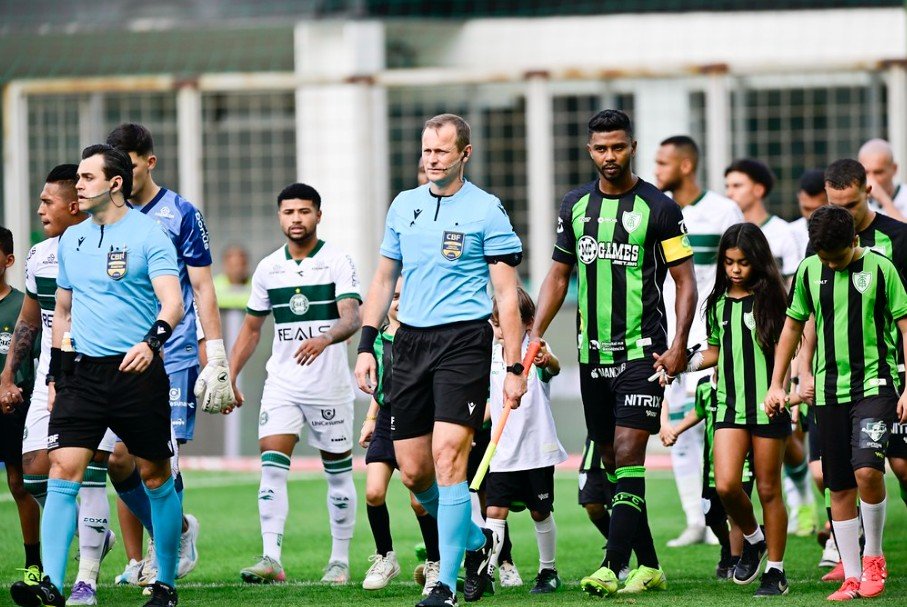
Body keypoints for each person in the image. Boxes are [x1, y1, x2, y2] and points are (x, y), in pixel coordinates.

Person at [354, 113, 527, 607]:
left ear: (464, 154)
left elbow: (506, 296)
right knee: (414, 473)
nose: (431, 159)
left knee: (449, 457)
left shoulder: (488, 210)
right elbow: (383, 280)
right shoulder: (403, 205)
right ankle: (475, 542)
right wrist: (366, 345)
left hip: (464, 342)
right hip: (408, 343)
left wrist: (514, 366)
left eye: (441, 151)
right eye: (427, 150)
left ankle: (443, 586)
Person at [9, 144, 184, 607]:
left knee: (155, 476)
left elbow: (173, 302)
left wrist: (151, 342)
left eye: (87, 178)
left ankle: (165, 583)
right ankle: (50, 583)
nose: (79, 185)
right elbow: (63, 312)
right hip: (82, 374)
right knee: (61, 469)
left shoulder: (149, 234)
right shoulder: (73, 241)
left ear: (115, 183)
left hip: (136, 372)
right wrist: (58, 373)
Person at [531, 109, 697, 596]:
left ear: (632, 147)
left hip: (643, 354)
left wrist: (678, 345)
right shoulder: (575, 205)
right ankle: (650, 566)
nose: (610, 156)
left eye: (618, 147)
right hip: (592, 355)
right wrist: (534, 333)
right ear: (590, 150)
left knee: (627, 452)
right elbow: (558, 275)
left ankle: (612, 565)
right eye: (601, 148)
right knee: (610, 458)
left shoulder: (660, 208)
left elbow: (685, 281)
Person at [105, 123, 234, 587]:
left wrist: (216, 356)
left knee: (157, 460)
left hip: (172, 355)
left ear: (150, 161)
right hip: (118, 357)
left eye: (130, 165)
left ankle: (163, 553)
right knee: (117, 461)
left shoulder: (180, 213)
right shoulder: (107, 216)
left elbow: (202, 286)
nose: (121, 177)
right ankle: (176, 532)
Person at [766, 201, 907, 601]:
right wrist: (777, 383)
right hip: (828, 393)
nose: (830, 265)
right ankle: (851, 574)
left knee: (867, 471)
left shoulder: (881, 269)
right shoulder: (810, 270)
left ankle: (873, 558)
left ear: (855, 240)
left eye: (838, 258)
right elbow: (792, 327)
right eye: (824, 258)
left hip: (875, 385)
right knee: (838, 482)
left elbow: (905, 325)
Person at [229, 182, 361, 585]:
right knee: (271, 468)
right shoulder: (269, 268)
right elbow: (251, 329)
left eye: (304, 211)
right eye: (289, 212)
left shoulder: (337, 261)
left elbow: (352, 317)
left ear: (318, 215)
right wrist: (228, 374)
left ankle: (339, 560)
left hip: (329, 386)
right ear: (280, 217)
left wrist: (325, 338)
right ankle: (271, 558)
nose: (296, 219)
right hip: (283, 384)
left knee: (338, 475)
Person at [0, 165, 120, 606]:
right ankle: (96, 535)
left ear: (73, 206)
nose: (39, 210)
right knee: (33, 471)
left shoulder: (107, 248)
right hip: (51, 374)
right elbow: (30, 320)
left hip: (96, 372)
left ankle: (82, 580)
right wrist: (8, 374)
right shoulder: (38, 255)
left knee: (91, 474)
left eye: (47, 202)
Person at [669, 222, 791, 596]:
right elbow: (715, 351)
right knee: (725, 485)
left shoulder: (773, 300)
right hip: (729, 408)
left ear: (758, 260)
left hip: (767, 409)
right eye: (728, 262)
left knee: (768, 490)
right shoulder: (718, 304)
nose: (735, 269)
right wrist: (681, 363)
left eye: (743, 262)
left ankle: (776, 572)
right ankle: (754, 539)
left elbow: (786, 350)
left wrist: (782, 389)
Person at [655, 135, 743, 548]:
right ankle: (695, 519)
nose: (656, 170)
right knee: (677, 427)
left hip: (710, 337)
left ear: (686, 165)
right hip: (667, 335)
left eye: (663, 163)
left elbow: (742, 269)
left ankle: (720, 515)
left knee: (713, 423)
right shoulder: (657, 209)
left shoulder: (722, 211)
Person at [359, 278, 441, 595]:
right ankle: (385, 557)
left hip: (417, 420)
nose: (399, 302)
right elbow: (381, 385)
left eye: (406, 296)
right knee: (373, 492)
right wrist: (370, 418)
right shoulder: (376, 342)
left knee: (419, 502)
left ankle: (435, 562)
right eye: (394, 296)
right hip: (385, 420)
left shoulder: (426, 339)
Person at [483, 288, 567, 594]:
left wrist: (547, 360)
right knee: (495, 512)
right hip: (502, 450)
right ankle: (486, 572)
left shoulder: (535, 350)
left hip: (536, 450)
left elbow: (553, 366)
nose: (500, 330)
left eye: (506, 322)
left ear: (529, 323)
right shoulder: (491, 355)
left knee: (539, 512)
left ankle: (548, 570)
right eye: (496, 323)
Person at [661, 372, 753, 580]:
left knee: (735, 513)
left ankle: (736, 559)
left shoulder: (741, 382)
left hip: (742, 462)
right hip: (711, 467)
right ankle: (726, 545)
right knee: (711, 515)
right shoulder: (704, 387)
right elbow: (699, 410)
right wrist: (675, 430)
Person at [0, 227, 42, 589]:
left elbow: (38, 356)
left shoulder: (21, 307)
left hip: (13, 408)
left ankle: (34, 564)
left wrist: (13, 387)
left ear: (9, 260)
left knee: (20, 482)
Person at [724, 159, 800, 278]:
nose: (729, 193)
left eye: (737, 186)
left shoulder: (784, 232)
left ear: (758, 190)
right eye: (727, 186)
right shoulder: (725, 230)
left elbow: (793, 281)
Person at [858, 138, 907, 221]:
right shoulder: (857, 202)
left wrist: (884, 199)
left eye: (878, 172)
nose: (871, 179)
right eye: (866, 172)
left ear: (894, 169)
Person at [790, 169, 828, 260]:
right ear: (799, 198)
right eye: (806, 208)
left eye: (817, 209)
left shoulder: (844, 231)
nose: (811, 215)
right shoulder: (789, 232)